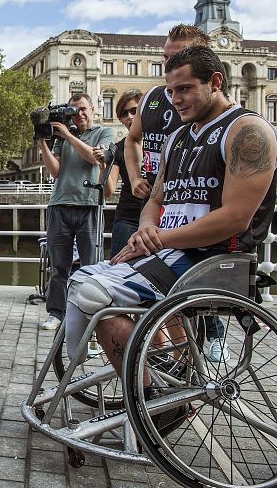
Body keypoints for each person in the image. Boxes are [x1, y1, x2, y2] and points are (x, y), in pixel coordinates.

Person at [65, 47, 277, 418]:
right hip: (168, 250)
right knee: (81, 275)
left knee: (93, 292)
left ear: (215, 82)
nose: (175, 99)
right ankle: (138, 385)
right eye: (170, 90)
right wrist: (146, 229)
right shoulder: (179, 138)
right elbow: (156, 199)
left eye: (185, 89)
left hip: (213, 257)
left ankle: (149, 399)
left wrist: (159, 238)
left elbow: (236, 218)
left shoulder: (248, 131)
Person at [123, 24, 229, 362]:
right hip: (153, 196)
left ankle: (205, 341)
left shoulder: (225, 118)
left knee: (182, 276)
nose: (169, 62)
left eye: (177, 57)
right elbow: (132, 139)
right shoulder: (154, 97)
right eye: (165, 57)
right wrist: (136, 174)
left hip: (192, 200)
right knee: (127, 268)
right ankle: (161, 354)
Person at [38, 94, 117, 330]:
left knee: (91, 265)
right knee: (59, 266)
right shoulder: (62, 137)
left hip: (90, 203)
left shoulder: (105, 133)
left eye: (83, 109)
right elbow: (55, 171)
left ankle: (89, 314)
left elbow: (94, 158)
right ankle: (56, 312)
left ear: (93, 109)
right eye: (73, 111)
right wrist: (42, 141)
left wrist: (69, 135)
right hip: (60, 203)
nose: (79, 114)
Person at [98, 90, 144, 256]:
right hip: (128, 217)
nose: (130, 117)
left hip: (159, 218)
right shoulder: (118, 148)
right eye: (124, 114)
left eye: (134, 111)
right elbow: (108, 191)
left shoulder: (163, 142)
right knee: (118, 269)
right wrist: (103, 166)